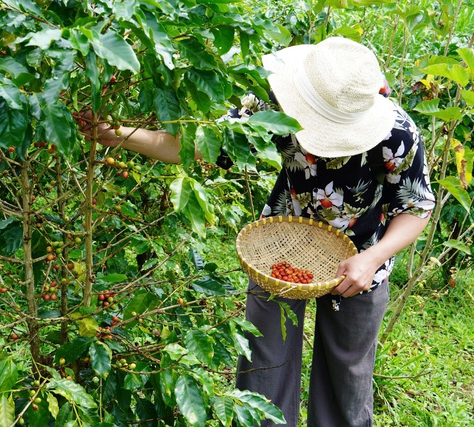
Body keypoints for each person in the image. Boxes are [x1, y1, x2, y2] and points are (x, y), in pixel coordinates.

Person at [81, 37, 435, 427]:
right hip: (281, 243)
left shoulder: (397, 134)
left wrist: (371, 259)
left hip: (364, 256)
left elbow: (416, 207)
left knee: (347, 374)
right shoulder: (274, 102)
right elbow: (197, 146)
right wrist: (119, 135)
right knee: (263, 362)